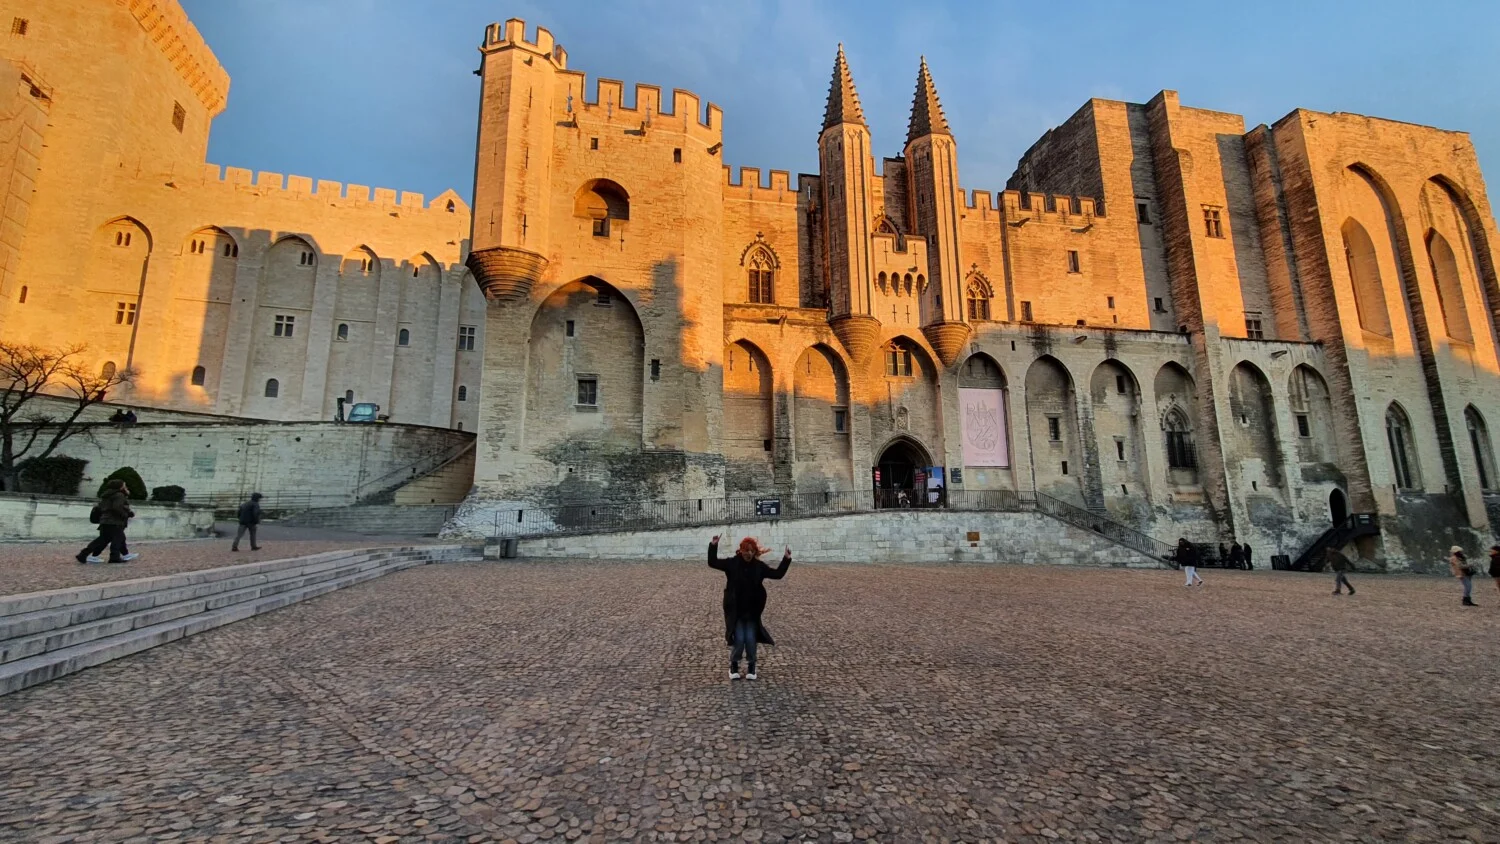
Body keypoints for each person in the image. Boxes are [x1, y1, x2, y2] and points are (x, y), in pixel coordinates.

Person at [708, 535, 791, 681]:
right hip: (737, 611)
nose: (749, 553)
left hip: (752, 611)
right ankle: (734, 665)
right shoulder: (732, 563)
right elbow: (712, 562)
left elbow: (777, 574)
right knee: (740, 640)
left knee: (751, 640)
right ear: (741, 550)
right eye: (747, 550)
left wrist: (786, 559)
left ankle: (752, 666)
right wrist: (713, 545)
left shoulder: (759, 567)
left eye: (752, 551)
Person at [75, 479, 138, 564]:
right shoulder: (119, 495)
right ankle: (114, 557)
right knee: (117, 539)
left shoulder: (107, 495)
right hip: (114, 521)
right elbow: (117, 507)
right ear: (120, 487)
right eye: (124, 485)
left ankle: (83, 554)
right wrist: (126, 514)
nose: (126, 487)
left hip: (105, 520)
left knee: (102, 540)